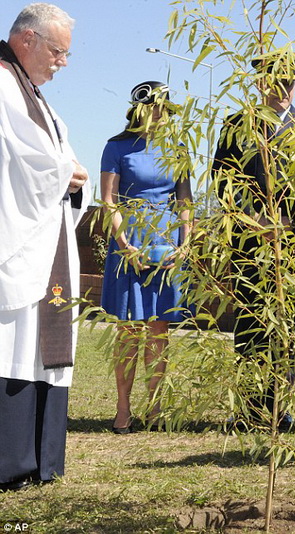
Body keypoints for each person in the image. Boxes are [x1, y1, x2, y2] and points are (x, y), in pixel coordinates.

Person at [213, 54, 295, 431]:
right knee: (251, 323)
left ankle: (279, 405)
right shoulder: (237, 125)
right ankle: (248, 408)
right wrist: (255, 219)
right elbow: (221, 180)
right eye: (274, 82)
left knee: (290, 326)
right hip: (250, 244)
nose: (283, 90)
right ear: (260, 83)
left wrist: (286, 220)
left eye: (289, 83)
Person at [0, 3, 89, 491]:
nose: (64, 62)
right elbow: (22, 163)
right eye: (58, 51)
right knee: (13, 347)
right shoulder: (2, 86)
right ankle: (12, 463)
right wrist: (63, 173)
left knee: (41, 347)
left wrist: (72, 177)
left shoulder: (38, 99)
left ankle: (41, 460)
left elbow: (56, 159)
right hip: (16, 238)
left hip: (47, 237)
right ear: (27, 40)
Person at [100, 81, 193, 434]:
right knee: (128, 329)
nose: (161, 114)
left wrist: (185, 243)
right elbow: (109, 200)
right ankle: (123, 408)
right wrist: (125, 245)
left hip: (166, 242)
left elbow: (184, 200)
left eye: (165, 108)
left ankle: (155, 408)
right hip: (130, 240)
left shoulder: (178, 148)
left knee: (158, 328)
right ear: (140, 109)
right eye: (155, 107)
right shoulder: (116, 147)